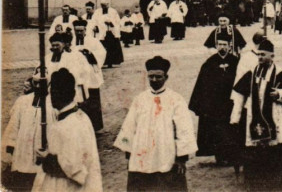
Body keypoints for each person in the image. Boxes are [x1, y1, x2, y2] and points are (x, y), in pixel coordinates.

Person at [114, 56, 197, 191]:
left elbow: (184, 130)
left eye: (158, 77)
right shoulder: (140, 99)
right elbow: (129, 127)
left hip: (166, 154)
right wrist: (129, 155)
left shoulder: (176, 100)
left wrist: (181, 159)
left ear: (166, 77)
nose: (154, 80)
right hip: (142, 156)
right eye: (151, 76)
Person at [230, 39, 282, 190]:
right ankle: (256, 180)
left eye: (263, 54)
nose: (260, 57)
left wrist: (280, 93)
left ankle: (277, 181)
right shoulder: (251, 72)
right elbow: (240, 95)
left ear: (272, 56)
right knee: (255, 149)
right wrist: (235, 117)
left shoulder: (279, 73)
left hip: (275, 117)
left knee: (276, 148)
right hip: (254, 119)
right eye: (259, 54)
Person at [32, 68, 102, 192]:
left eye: (53, 92)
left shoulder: (66, 126)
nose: (51, 97)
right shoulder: (82, 116)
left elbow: (75, 170)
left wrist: (46, 158)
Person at [189, 35, 240, 166]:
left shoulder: (236, 61)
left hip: (231, 102)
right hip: (215, 104)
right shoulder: (209, 63)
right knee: (217, 130)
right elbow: (202, 84)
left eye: (225, 45)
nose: (222, 47)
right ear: (216, 46)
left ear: (229, 46)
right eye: (220, 44)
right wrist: (201, 103)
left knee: (232, 129)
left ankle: (233, 156)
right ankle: (220, 156)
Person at [2, 74, 56, 192]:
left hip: (42, 150)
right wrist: (11, 144)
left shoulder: (54, 103)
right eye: (35, 83)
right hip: (23, 149)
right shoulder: (22, 101)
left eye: (41, 83)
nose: (38, 86)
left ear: (48, 84)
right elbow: (14, 124)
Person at [97, 1, 124, 67]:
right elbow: (95, 20)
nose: (103, 7)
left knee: (112, 48)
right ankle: (103, 62)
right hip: (102, 32)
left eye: (105, 5)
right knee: (103, 48)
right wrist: (100, 25)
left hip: (112, 32)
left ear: (108, 4)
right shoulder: (98, 12)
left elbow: (117, 21)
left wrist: (111, 23)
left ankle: (111, 63)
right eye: (102, 5)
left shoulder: (113, 11)